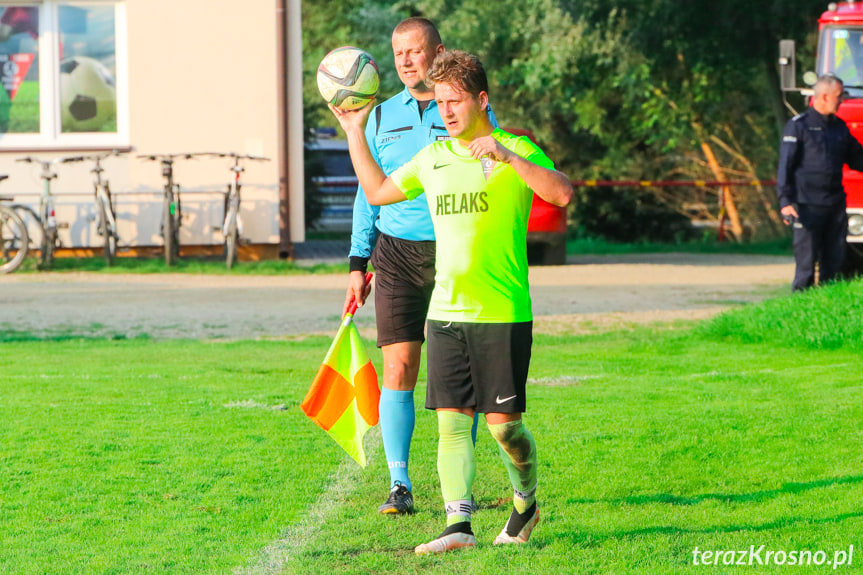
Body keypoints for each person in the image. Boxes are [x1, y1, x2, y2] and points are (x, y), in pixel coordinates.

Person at [331, 49, 572, 554]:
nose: (446, 111)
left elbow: (562, 194)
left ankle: (525, 500)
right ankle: (457, 524)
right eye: (440, 102)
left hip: (502, 313)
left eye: (455, 101)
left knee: (505, 429)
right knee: (452, 421)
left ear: (481, 100)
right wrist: (355, 131)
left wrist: (510, 158)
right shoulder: (433, 158)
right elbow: (375, 192)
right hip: (445, 313)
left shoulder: (514, 148)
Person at [344, 17, 496, 515]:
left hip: (455, 256)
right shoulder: (382, 116)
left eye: (415, 51)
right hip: (395, 254)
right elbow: (368, 194)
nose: (407, 61)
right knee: (400, 365)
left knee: (458, 378)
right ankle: (399, 484)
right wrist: (356, 261)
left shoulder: (464, 113)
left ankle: (459, 482)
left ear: (438, 52)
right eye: (398, 53)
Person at [777, 74, 863, 291]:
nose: (842, 101)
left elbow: (858, 158)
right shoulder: (799, 126)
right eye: (838, 96)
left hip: (835, 206)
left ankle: (827, 310)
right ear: (824, 97)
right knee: (806, 266)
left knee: (834, 265)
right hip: (807, 207)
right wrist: (785, 200)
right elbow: (785, 166)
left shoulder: (840, 128)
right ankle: (800, 313)